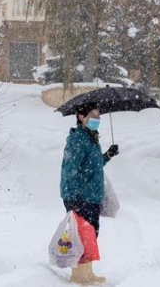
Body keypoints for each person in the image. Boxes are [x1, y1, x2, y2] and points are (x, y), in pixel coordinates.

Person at [60, 102, 119, 285]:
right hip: (79, 197)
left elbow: (94, 165)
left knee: (91, 235)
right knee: (80, 236)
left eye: (99, 116)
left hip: (91, 196)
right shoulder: (78, 139)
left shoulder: (91, 138)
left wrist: (107, 155)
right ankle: (78, 276)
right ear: (81, 117)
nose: (98, 120)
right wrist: (73, 198)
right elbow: (70, 170)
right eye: (94, 116)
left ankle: (89, 272)